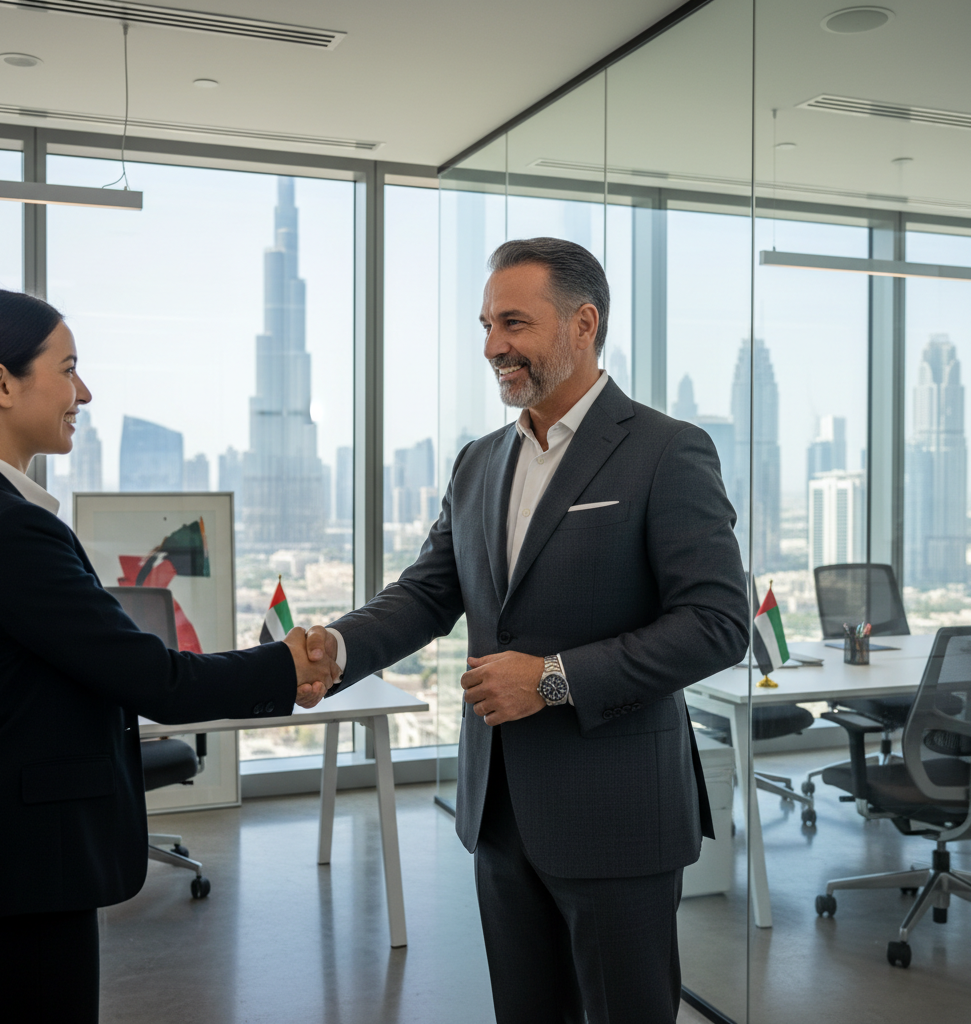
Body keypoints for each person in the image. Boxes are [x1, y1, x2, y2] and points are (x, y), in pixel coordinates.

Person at [301, 237, 750, 1023]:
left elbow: (715, 626)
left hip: (616, 814)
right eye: (485, 325)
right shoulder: (478, 462)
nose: (493, 347)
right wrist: (336, 648)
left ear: (584, 324)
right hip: (500, 812)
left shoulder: (666, 451)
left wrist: (550, 678)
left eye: (514, 322)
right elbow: (428, 593)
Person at [0, 288, 336, 1022]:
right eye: (68, 369)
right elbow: (153, 679)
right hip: (25, 868)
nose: (85, 392)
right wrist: (284, 665)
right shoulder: (11, 531)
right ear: (1, 383)